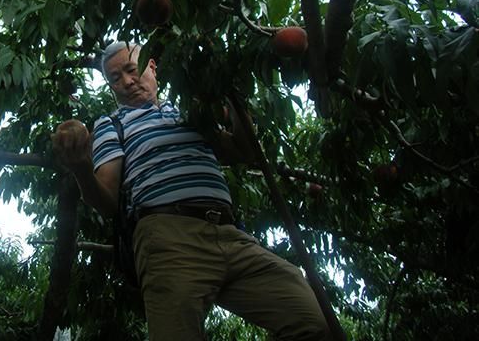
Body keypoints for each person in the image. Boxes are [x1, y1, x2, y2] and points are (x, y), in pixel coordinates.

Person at [52, 42, 332, 340]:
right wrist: (81, 168)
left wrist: (232, 93)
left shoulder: (188, 111)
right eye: (115, 78)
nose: (127, 81)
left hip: (230, 234)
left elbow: (244, 151)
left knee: (315, 322)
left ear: (152, 66)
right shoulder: (112, 124)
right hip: (169, 239)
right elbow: (107, 202)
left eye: (132, 70)